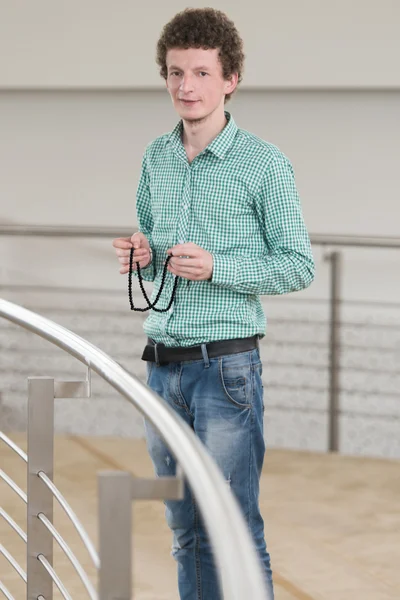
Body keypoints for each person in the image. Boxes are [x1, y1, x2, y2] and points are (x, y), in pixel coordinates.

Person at [113, 7, 314, 600]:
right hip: (161, 365)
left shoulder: (265, 164)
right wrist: (142, 253)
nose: (186, 87)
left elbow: (297, 265)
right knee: (185, 529)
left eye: (201, 73)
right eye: (175, 73)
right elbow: (156, 246)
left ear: (230, 80)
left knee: (235, 526)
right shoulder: (156, 157)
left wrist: (217, 268)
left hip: (225, 372)